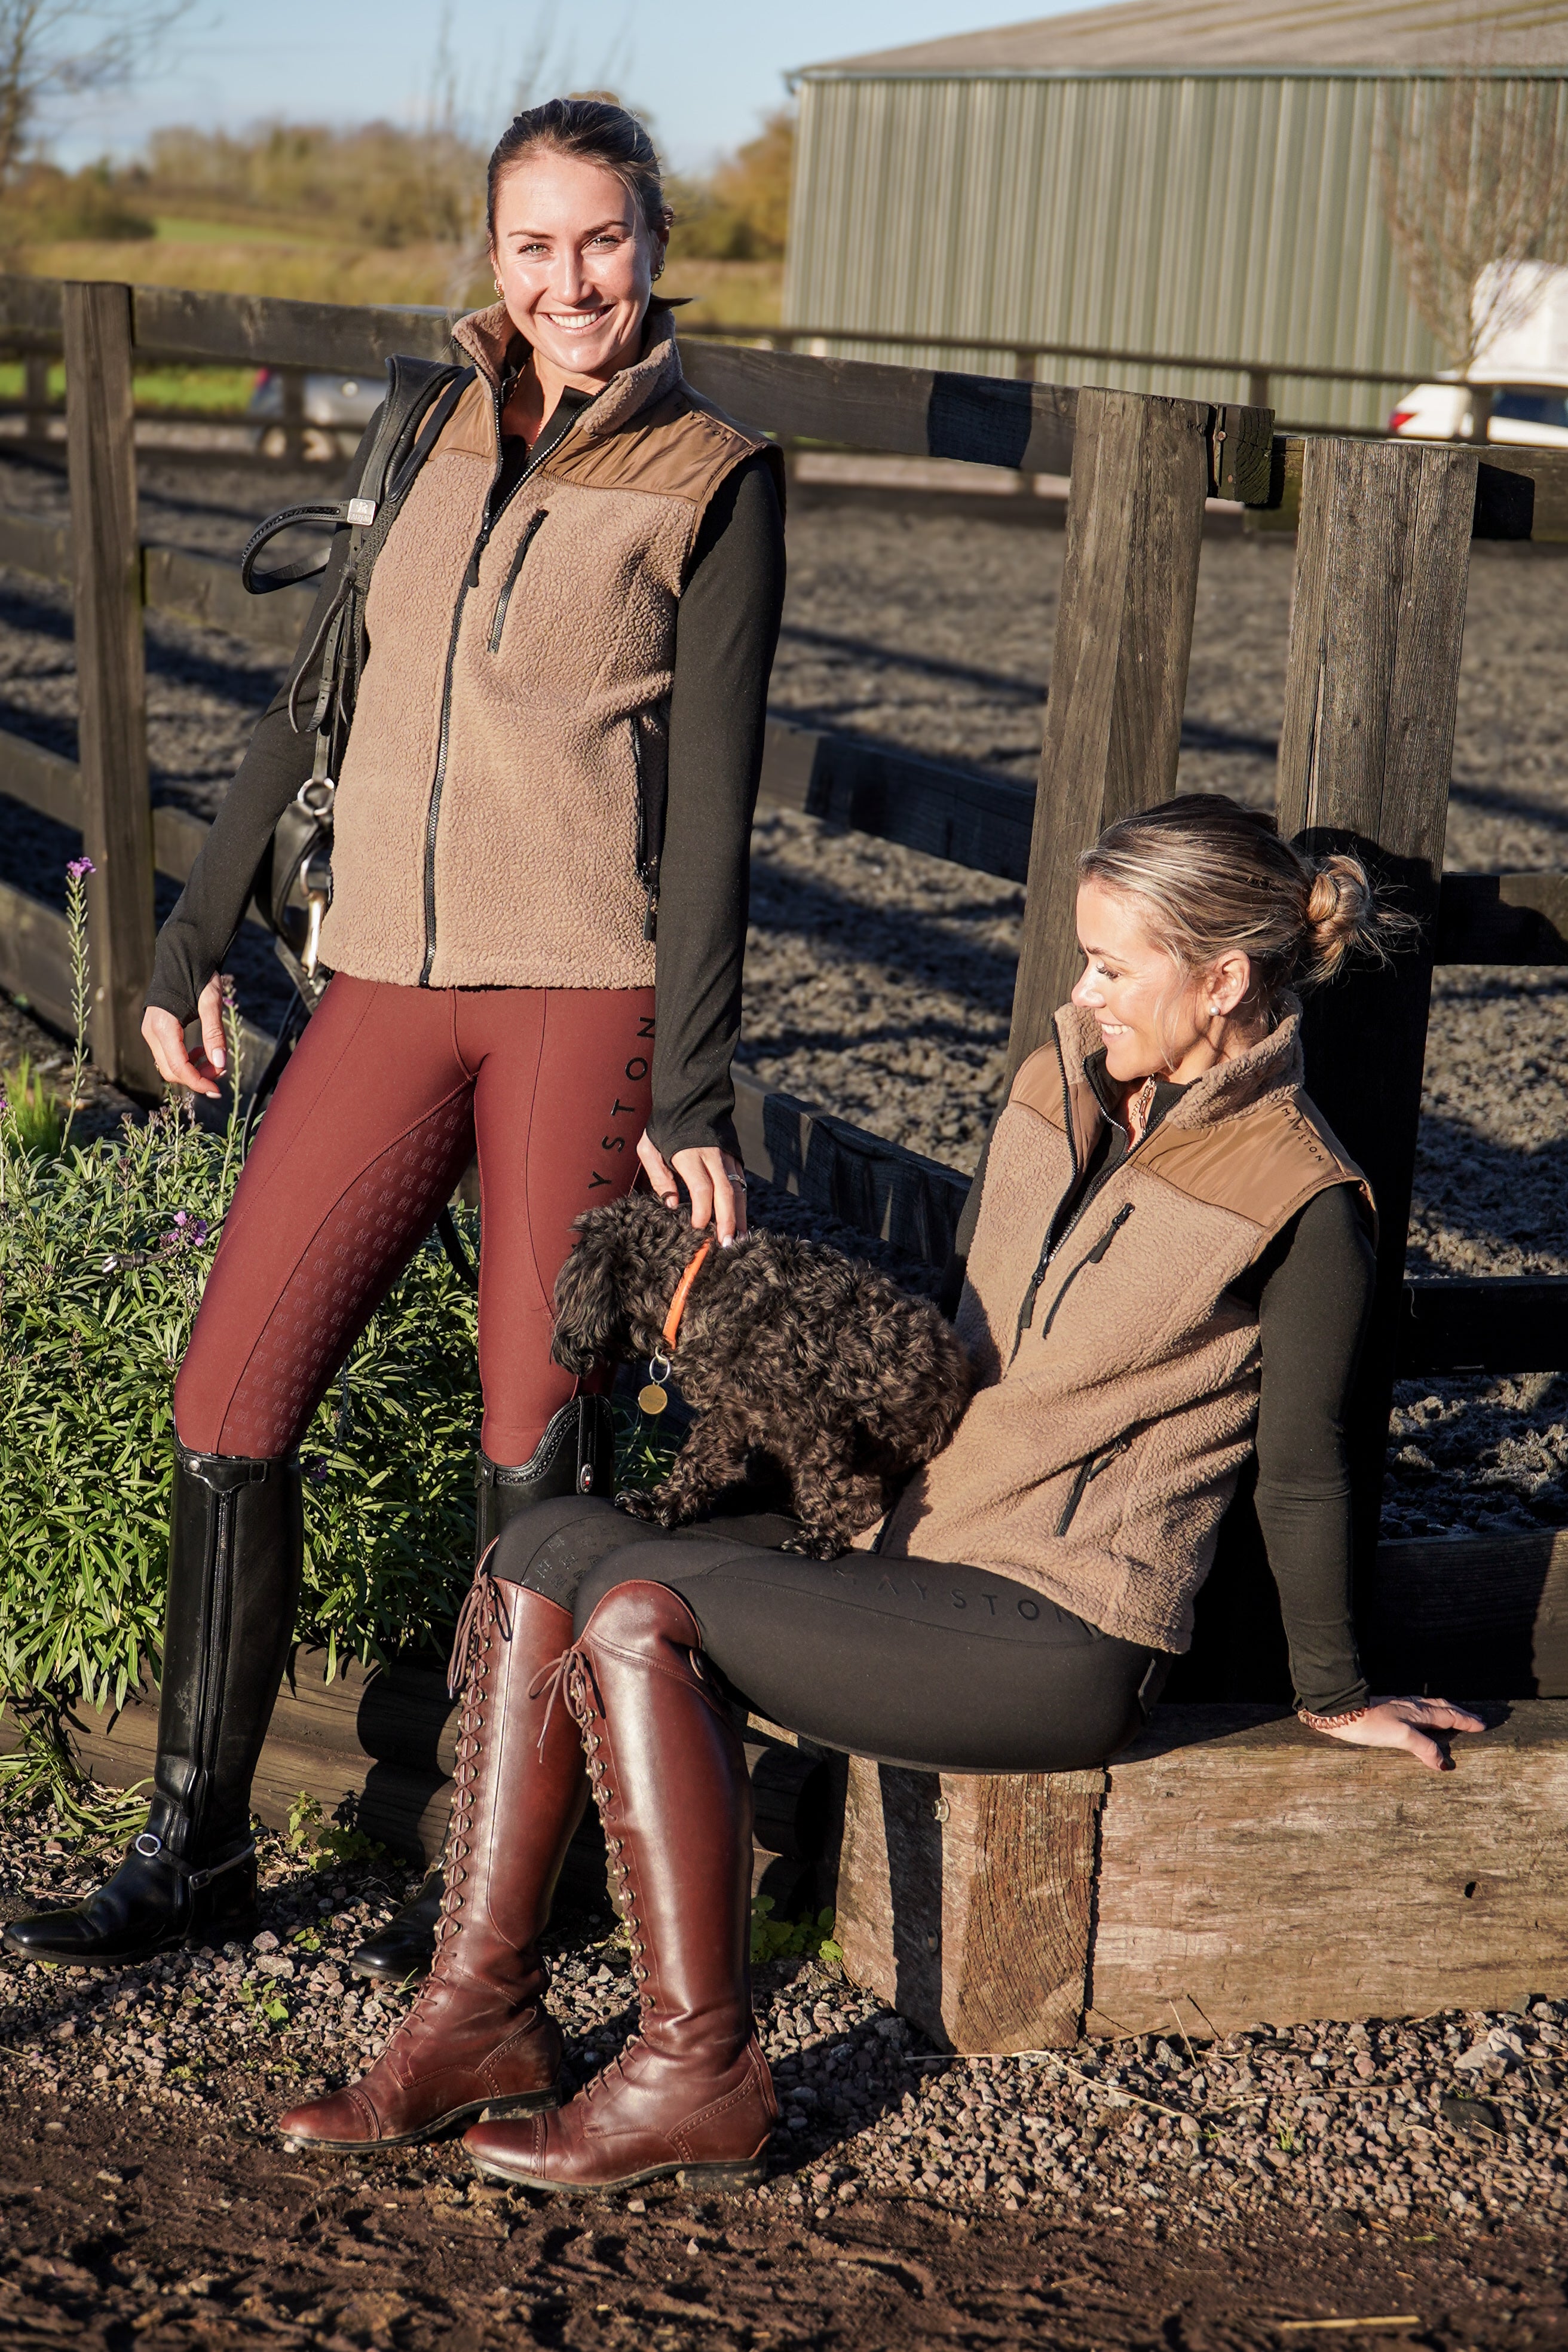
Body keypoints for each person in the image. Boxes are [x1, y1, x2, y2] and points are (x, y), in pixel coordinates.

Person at [276, 792, 1483, 2188]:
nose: (1080, 994)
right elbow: (958, 1351)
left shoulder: (1301, 1195)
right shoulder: (1058, 1085)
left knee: (637, 1608)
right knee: (540, 1547)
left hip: (1059, 1629)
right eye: (1080, 957)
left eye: (1111, 966)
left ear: (1220, 984)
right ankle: (479, 2017)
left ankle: (695, 2075)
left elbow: (1310, 1471)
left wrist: (1334, 1688)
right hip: (919, 1548)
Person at [3, 98, 786, 1975]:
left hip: (582, 1001)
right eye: (533, 245)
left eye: (600, 241)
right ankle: (198, 1850)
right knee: (230, 1394)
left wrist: (692, 1085)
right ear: (492, 254)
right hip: (384, 983)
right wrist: (190, 932)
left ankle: (516, 1893)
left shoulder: (715, 471)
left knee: (537, 1441)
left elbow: (714, 820)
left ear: (654, 244)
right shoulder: (425, 417)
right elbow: (315, 693)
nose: (569, 281)